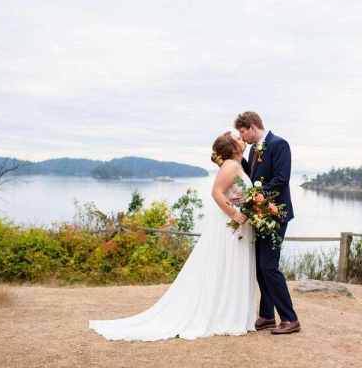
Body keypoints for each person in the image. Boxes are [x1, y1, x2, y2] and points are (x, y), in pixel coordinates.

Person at [89, 132, 257, 341]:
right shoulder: (231, 165)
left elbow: (236, 193)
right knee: (228, 266)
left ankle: (232, 313)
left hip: (239, 227)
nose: (242, 138)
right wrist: (235, 213)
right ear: (233, 148)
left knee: (232, 268)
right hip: (232, 226)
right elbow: (216, 193)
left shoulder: (238, 165)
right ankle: (225, 315)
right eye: (237, 138)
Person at [234, 111, 300, 335]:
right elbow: (252, 177)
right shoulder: (253, 149)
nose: (242, 137)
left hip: (276, 214)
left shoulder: (280, 144)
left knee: (269, 266)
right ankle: (267, 316)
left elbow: (281, 180)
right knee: (261, 268)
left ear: (253, 127)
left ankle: (290, 318)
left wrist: (255, 195)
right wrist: (236, 157)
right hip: (260, 215)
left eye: (242, 132)